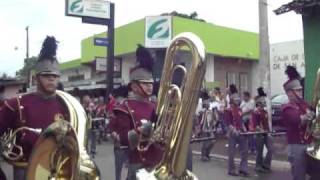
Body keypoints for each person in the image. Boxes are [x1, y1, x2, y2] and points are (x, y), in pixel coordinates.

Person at [0, 36, 69, 180]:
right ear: (36, 77)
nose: (51, 79)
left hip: (55, 170)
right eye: (46, 75)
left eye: (55, 76)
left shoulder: (66, 106)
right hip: (24, 169)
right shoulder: (16, 104)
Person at [108, 45, 162, 180]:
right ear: (134, 86)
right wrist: (145, 131)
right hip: (139, 165)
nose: (150, 86)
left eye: (150, 82)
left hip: (160, 164)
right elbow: (123, 140)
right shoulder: (124, 107)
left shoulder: (156, 105)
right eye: (145, 83)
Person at [281, 66, 315, 180]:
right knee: (299, 176)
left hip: (309, 145)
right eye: (298, 90)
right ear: (290, 93)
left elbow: (312, 114)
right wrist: (309, 115)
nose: (301, 91)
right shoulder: (287, 108)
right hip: (296, 147)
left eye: (301, 89)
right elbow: (297, 120)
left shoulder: (304, 104)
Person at [224, 94, 249, 177]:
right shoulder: (228, 110)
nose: (238, 100)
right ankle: (231, 170)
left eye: (238, 98)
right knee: (231, 152)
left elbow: (241, 121)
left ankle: (243, 169)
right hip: (232, 133)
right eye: (236, 99)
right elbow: (228, 123)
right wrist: (234, 130)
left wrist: (244, 129)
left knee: (245, 150)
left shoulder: (239, 109)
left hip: (240, 132)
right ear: (232, 100)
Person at [249, 97, 273, 173]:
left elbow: (267, 122)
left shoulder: (265, 112)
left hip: (266, 133)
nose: (264, 103)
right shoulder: (255, 113)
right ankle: (258, 166)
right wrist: (261, 130)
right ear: (258, 104)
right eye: (262, 102)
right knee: (259, 151)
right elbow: (256, 125)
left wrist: (269, 130)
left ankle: (266, 165)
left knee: (270, 149)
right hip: (259, 134)